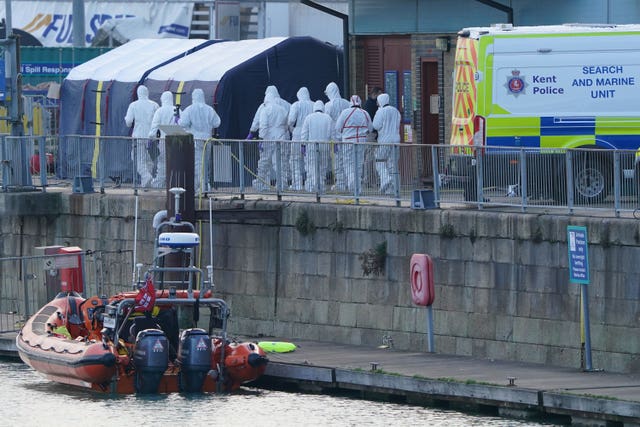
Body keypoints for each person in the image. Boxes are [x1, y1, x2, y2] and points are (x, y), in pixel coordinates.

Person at [178, 88, 221, 194]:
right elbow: (217, 123)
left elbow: (183, 123)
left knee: (197, 164)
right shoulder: (209, 109)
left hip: (195, 140)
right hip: (207, 139)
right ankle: (205, 185)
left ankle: (200, 187)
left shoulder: (189, 109)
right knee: (206, 163)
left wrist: (178, 120)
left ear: (193, 97)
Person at [249, 85, 292, 186]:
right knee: (281, 161)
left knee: (264, 161)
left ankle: (262, 183)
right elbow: (288, 122)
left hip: (268, 137)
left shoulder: (264, 108)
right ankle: (282, 184)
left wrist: (254, 134)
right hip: (282, 136)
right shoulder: (285, 106)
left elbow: (260, 123)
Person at [335, 95, 373, 193]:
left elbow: (338, 127)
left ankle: (352, 184)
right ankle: (358, 188)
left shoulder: (345, 113)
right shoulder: (365, 113)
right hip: (361, 141)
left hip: (348, 141)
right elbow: (370, 128)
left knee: (348, 164)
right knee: (359, 164)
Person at [125, 85, 159, 188]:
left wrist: (126, 119)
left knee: (137, 158)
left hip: (138, 136)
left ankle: (146, 176)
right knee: (149, 159)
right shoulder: (155, 105)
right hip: (151, 137)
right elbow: (158, 121)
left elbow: (128, 122)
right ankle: (146, 184)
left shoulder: (133, 105)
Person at [147, 91, 181, 189]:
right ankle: (174, 185)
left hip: (163, 141)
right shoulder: (178, 110)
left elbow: (154, 127)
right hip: (176, 141)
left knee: (162, 164)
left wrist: (151, 139)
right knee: (176, 164)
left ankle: (159, 185)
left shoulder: (160, 111)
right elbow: (183, 125)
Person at [301, 100, 334, 193]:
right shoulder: (328, 118)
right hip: (325, 146)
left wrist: (303, 145)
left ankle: (313, 186)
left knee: (312, 167)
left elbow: (304, 133)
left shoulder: (309, 118)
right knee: (323, 167)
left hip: (311, 146)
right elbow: (333, 133)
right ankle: (321, 186)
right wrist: (335, 144)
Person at [323, 82, 350, 191]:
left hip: (334, 137)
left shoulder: (328, 105)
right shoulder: (347, 103)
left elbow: (326, 120)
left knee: (337, 161)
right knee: (348, 160)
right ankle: (350, 181)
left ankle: (341, 183)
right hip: (346, 135)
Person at [373, 93, 401, 195]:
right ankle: (393, 188)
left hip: (384, 140)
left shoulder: (380, 112)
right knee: (392, 164)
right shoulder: (396, 111)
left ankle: (385, 179)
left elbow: (375, 126)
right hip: (396, 140)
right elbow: (398, 124)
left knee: (379, 160)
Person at [288, 87, 314, 190]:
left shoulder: (296, 105)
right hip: (310, 134)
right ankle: (311, 183)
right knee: (310, 160)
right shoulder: (314, 104)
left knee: (295, 159)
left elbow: (291, 120)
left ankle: (297, 184)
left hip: (298, 133)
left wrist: (291, 129)